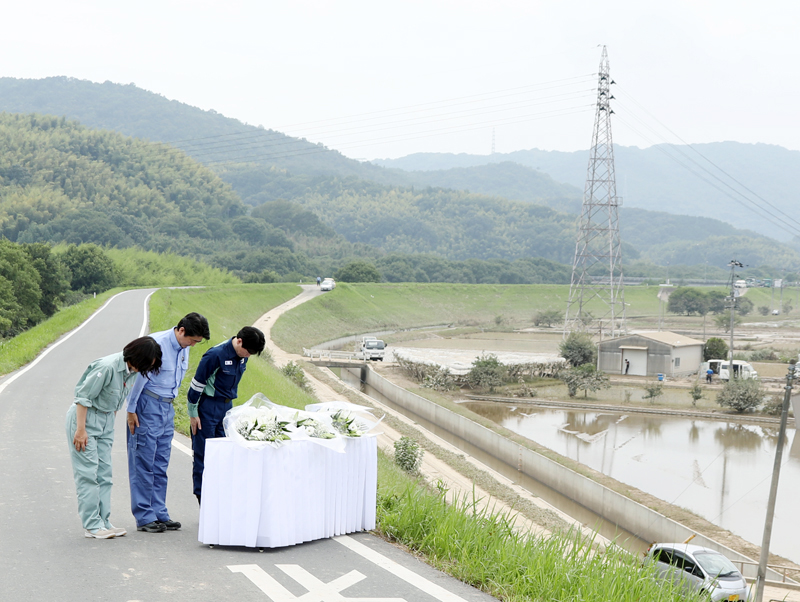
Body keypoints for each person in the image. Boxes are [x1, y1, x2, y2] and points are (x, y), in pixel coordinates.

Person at [66, 337, 162, 539]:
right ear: (136, 357)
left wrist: (108, 427)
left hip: (106, 421)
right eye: (145, 365)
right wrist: (81, 430)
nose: (144, 370)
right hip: (85, 420)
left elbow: (116, 401)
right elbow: (83, 398)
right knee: (88, 474)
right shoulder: (107, 367)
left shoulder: (133, 371)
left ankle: (104, 521)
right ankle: (92, 525)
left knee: (105, 474)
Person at [126, 312, 210, 533]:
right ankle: (144, 516)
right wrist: (131, 410)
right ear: (181, 330)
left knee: (161, 462)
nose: (193, 344)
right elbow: (138, 378)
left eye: (197, 342)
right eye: (192, 340)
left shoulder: (185, 347)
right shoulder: (157, 344)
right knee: (144, 461)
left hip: (167, 407)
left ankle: (159, 512)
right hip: (147, 405)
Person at [187, 326, 266, 504]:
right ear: (239, 341)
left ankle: (218, 501)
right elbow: (196, 385)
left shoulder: (243, 357)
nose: (248, 356)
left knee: (223, 455)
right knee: (204, 455)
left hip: (226, 408)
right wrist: (193, 413)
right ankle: (203, 500)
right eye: (247, 351)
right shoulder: (215, 355)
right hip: (208, 408)